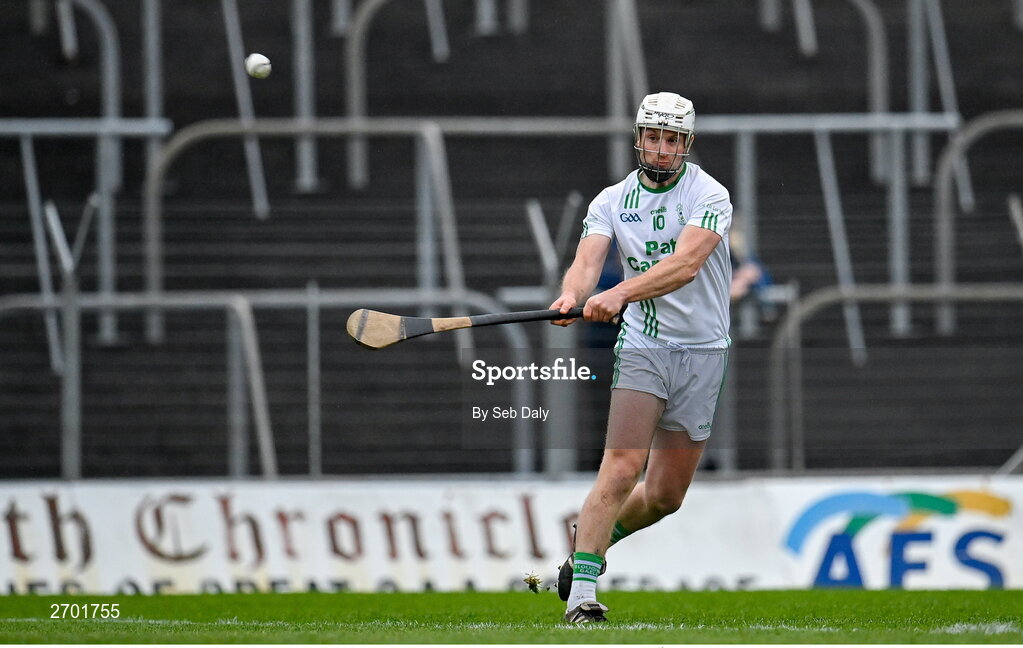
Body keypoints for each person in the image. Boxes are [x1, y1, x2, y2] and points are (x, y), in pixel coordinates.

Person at [549, 92, 733, 624]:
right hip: (645, 347)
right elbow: (587, 263)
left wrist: (622, 292)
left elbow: (685, 265)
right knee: (623, 465)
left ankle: (588, 549)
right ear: (638, 138)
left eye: (672, 140)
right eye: (653, 137)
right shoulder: (610, 201)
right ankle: (584, 595)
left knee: (664, 497)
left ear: (686, 145)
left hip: (704, 353)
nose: (660, 149)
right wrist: (572, 297)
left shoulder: (710, 194)